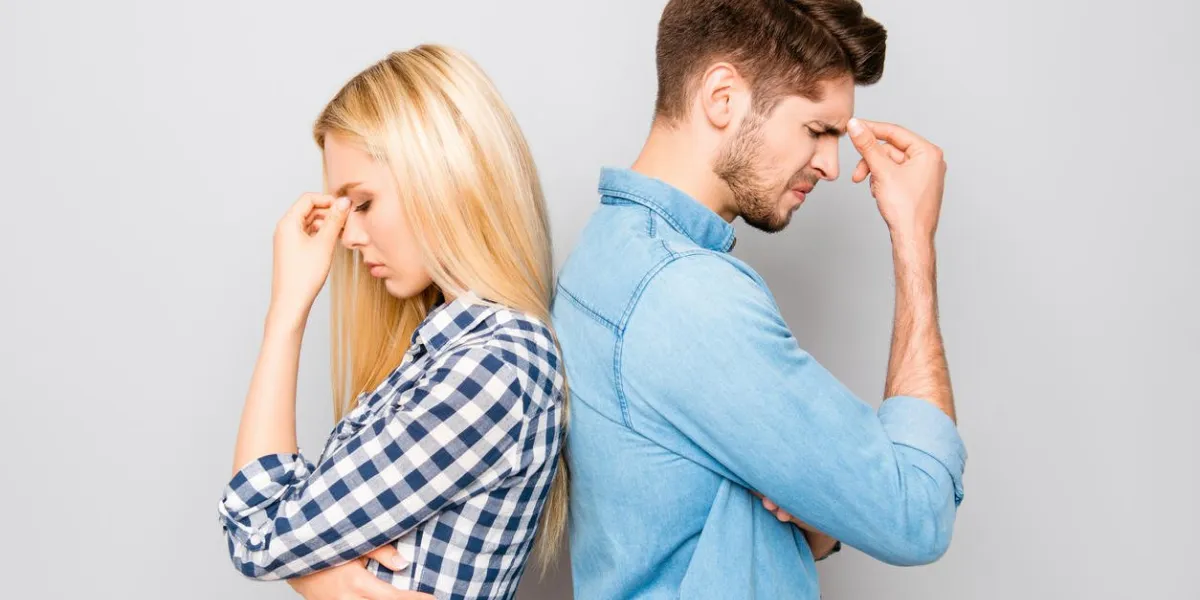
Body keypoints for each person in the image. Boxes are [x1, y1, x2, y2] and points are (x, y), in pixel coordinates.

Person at [551, 0, 967, 598]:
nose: (831, 164)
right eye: (818, 130)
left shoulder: (604, 252)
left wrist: (818, 514)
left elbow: (697, 502)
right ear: (723, 98)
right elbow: (916, 514)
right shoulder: (687, 296)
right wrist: (913, 240)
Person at [216, 45, 568, 600]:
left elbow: (258, 532)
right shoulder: (442, 354)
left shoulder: (497, 365)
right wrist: (321, 574)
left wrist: (286, 313)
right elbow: (274, 528)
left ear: (445, 179)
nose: (349, 238)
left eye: (363, 202)